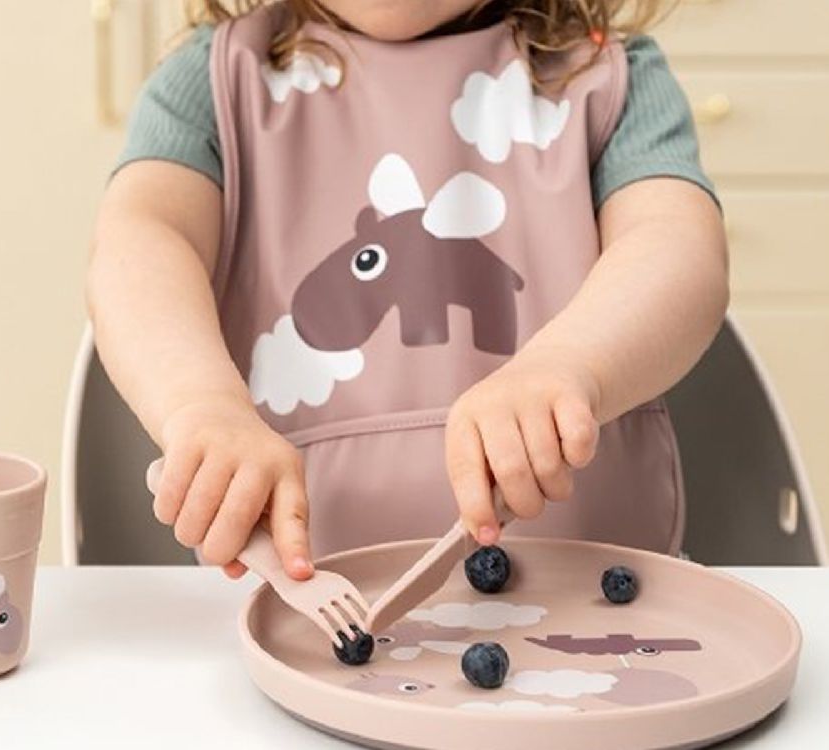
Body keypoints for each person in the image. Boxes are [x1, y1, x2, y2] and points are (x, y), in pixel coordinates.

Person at [87, 0, 728, 583]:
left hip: (595, 616)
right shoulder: (214, 79)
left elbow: (676, 243)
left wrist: (567, 364)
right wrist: (201, 405)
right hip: (292, 613)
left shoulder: (611, 76)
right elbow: (141, 239)